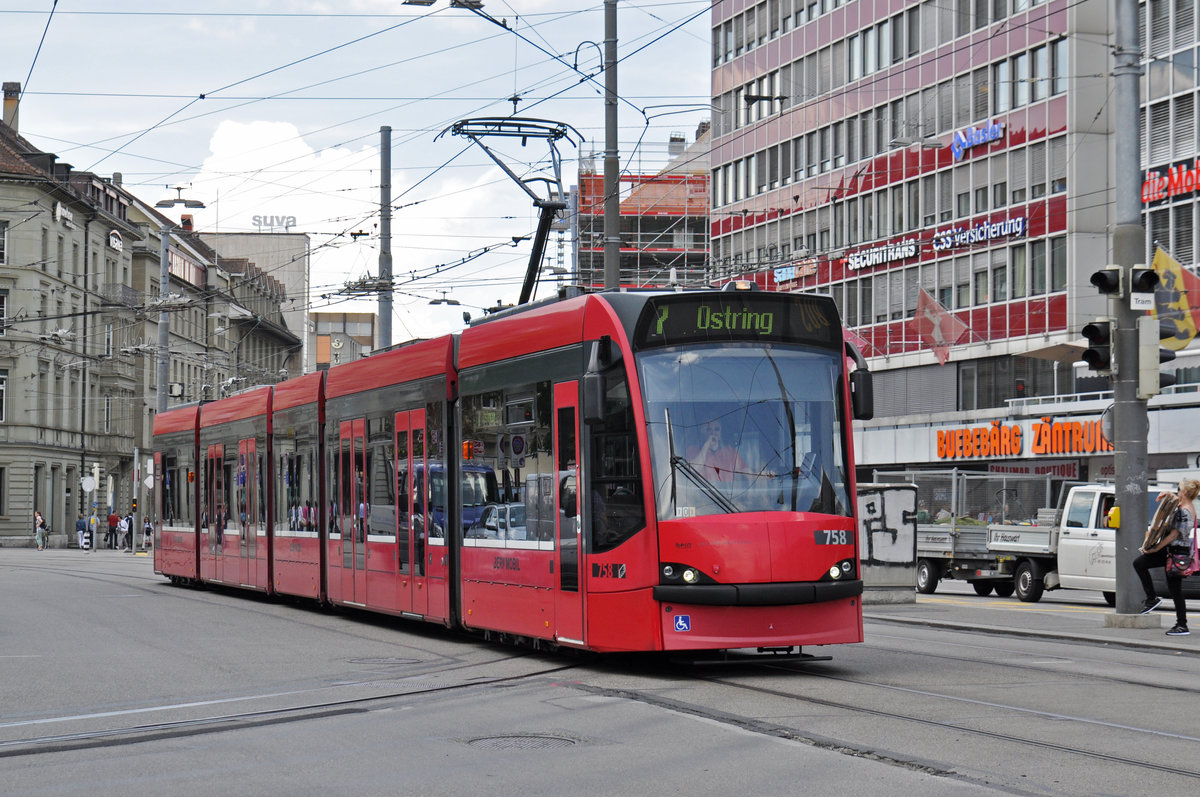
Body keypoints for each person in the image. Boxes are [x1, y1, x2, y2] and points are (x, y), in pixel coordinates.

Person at [1134, 477, 1198, 636]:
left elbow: (1173, 535)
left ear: (1183, 492)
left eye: (1178, 490)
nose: (1177, 492)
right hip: (1173, 551)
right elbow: (1177, 502)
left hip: (1175, 552)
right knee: (1140, 564)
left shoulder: (1184, 511)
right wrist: (1169, 494)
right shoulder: (1187, 506)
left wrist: (1155, 548)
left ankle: (1181, 624)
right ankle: (1155, 601)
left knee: (1174, 589)